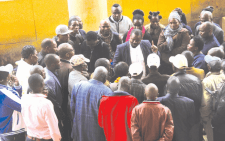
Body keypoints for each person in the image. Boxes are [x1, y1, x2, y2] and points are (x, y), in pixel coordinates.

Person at [70, 66, 112, 141]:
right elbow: (107, 117)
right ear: (105, 78)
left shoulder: (78, 85)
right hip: (96, 133)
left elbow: (72, 108)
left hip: (79, 130)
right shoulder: (107, 91)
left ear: (93, 75)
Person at [169, 54, 202, 141]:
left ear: (174, 66)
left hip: (178, 122)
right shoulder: (196, 80)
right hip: (195, 119)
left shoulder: (171, 81)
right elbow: (200, 100)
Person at [29, 65, 66, 141]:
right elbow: (55, 107)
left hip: (32, 134)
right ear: (41, 75)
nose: (45, 72)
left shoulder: (28, 92)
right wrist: (62, 117)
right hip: (46, 135)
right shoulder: (46, 94)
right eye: (43, 71)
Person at [21, 74, 61, 141]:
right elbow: (53, 127)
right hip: (44, 139)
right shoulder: (46, 103)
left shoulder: (24, 99)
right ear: (43, 84)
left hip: (29, 137)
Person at [98, 76, 139, 141]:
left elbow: (101, 123)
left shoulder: (104, 101)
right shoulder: (133, 101)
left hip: (110, 138)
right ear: (129, 87)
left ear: (118, 85)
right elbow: (136, 125)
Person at [157, 76, 195, 141]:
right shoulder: (189, 102)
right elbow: (192, 122)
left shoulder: (158, 102)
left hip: (164, 137)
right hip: (183, 137)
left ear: (166, 88)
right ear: (179, 88)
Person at [200, 55, 225, 141]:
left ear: (209, 67)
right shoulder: (223, 77)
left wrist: (205, 118)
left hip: (212, 117)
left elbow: (206, 102)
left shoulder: (207, 81)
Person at [0, 64, 25, 141]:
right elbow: (21, 106)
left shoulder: (4, 89)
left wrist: (17, 86)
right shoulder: (4, 92)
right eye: (9, 75)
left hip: (6, 128)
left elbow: (14, 98)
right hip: (11, 129)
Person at [57, 43, 75, 141]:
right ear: (68, 55)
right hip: (67, 100)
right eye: (72, 50)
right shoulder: (70, 67)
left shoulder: (56, 64)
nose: (74, 51)